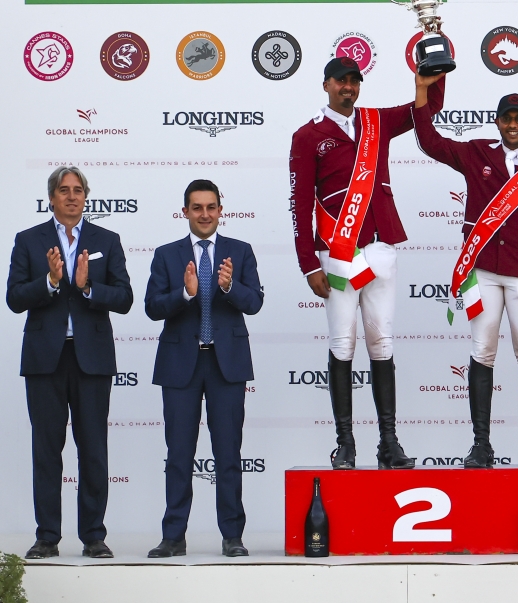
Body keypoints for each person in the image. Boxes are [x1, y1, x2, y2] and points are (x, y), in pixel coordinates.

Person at [289, 56, 439, 469]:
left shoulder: (376, 122)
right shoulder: (307, 136)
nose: (348, 87)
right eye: (341, 81)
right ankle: (346, 444)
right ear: (326, 85)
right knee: (343, 344)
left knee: (382, 344)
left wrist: (427, 82)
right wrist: (308, 264)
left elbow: (426, 110)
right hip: (337, 254)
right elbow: (300, 206)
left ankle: (388, 442)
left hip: (380, 249)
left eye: (354, 81)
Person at [414, 74, 518, 467]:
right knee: (482, 350)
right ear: (497, 121)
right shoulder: (476, 152)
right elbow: (430, 142)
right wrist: (422, 94)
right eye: (506, 119)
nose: (513, 125)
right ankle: (481, 445)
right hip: (482, 269)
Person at [6, 166, 133, 560]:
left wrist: (86, 286)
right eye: (64, 190)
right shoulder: (28, 240)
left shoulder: (106, 240)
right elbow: (14, 298)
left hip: (91, 359)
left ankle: (93, 535)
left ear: (85, 197)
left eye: (78, 190)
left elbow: (125, 298)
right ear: (52, 198)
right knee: (46, 451)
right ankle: (47, 537)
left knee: (93, 449)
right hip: (45, 360)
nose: (72, 196)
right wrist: (50, 281)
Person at [143, 180, 264, 559]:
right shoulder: (167, 255)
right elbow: (152, 307)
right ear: (185, 212)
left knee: (228, 454)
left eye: (211, 207)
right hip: (181, 365)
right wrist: (186, 293)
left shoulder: (240, 252)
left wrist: (228, 287)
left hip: (226, 365)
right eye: (197, 207)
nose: (205, 214)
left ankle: (232, 536)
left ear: (220, 210)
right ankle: (173, 537)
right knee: (179, 454)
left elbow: (254, 302)